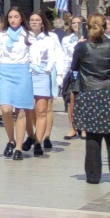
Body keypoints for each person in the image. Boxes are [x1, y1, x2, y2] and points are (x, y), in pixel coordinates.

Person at [72, 15, 110, 186]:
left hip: (90, 92)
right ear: (106, 27)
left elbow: (74, 66)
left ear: (87, 27)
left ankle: (93, 176)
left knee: (92, 136)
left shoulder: (82, 47)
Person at [0, 8, 35, 161]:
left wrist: (35, 68)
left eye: (16, 17)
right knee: (6, 109)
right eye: (10, 17)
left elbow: (33, 55)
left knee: (21, 111)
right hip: (6, 72)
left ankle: (19, 148)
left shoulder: (28, 35)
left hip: (23, 72)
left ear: (21, 18)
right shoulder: (1, 36)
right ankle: (11, 140)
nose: (13, 20)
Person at [26, 11, 69, 157]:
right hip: (28, 73)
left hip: (45, 72)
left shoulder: (51, 37)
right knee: (30, 108)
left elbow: (58, 55)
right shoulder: (25, 37)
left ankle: (43, 138)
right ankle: (34, 134)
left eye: (37, 20)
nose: (34, 22)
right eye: (32, 20)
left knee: (44, 108)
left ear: (43, 22)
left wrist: (59, 74)